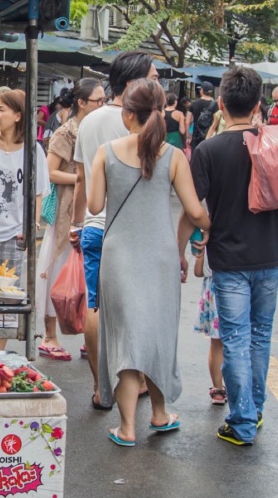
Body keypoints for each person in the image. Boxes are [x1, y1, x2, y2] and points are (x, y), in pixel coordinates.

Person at [89, 79, 210, 447]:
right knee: (157, 336)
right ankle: (159, 414)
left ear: (127, 113)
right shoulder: (173, 157)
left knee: (126, 338)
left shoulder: (106, 152)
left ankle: (127, 427)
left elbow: (94, 207)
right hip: (159, 258)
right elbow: (194, 210)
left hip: (118, 257)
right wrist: (205, 229)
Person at [181, 66, 278, 446]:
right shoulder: (272, 144)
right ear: (258, 105)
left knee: (235, 338)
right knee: (260, 337)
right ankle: (253, 413)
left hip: (229, 259)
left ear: (221, 103)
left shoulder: (208, 150)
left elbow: (192, 209)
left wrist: (190, 244)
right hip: (269, 256)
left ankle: (241, 423)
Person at [71, 51, 159, 409]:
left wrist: (76, 225)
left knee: (96, 306)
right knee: (134, 308)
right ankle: (133, 380)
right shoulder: (148, 121)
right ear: (133, 83)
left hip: (93, 225)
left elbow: (81, 179)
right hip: (134, 230)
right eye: (152, 77)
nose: (157, 83)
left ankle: (99, 387)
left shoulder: (90, 120)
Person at [35, 78, 105, 361]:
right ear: (81, 102)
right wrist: (83, 177)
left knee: (86, 274)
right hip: (66, 210)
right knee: (56, 270)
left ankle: (88, 333)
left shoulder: (97, 129)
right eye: (98, 100)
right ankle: (50, 335)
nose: (103, 104)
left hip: (91, 209)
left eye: (104, 100)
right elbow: (50, 172)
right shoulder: (66, 132)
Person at [0, 88, 49, 280]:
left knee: (6, 298)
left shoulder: (33, 151)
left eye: (1, 109)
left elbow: (37, 193)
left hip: (12, 235)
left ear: (18, 115)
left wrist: (31, 226)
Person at [193, 249, 226, 406]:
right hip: (241, 284)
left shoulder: (210, 236)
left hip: (214, 289)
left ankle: (218, 390)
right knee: (241, 341)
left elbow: (199, 271)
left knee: (216, 343)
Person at [187, 81, 217, 150]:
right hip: (209, 137)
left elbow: (187, 122)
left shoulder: (194, 103)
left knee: (195, 157)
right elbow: (216, 120)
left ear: (202, 91)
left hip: (195, 136)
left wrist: (188, 137)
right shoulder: (215, 104)